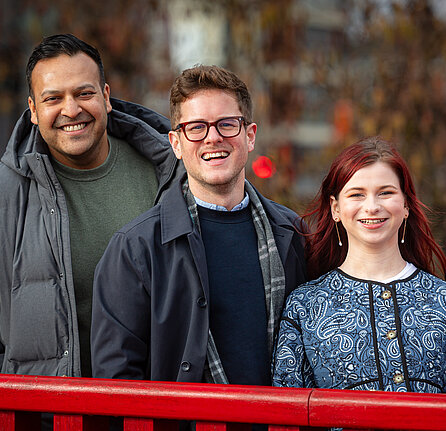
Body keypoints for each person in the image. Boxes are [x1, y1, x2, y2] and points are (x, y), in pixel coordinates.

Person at [0, 34, 182, 379]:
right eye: (53, 98)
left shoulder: (172, 175)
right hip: (48, 418)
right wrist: (13, 394)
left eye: (84, 93)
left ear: (106, 97)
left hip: (157, 413)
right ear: (34, 111)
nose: (71, 110)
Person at [92, 65, 307, 385]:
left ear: (249, 136)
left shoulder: (292, 235)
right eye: (196, 127)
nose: (213, 137)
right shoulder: (136, 249)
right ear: (176, 143)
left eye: (226, 124)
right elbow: (117, 379)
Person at [272, 137, 446, 395]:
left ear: (406, 205)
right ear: (335, 208)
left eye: (386, 193)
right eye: (357, 194)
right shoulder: (305, 306)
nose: (372, 207)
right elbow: (288, 412)